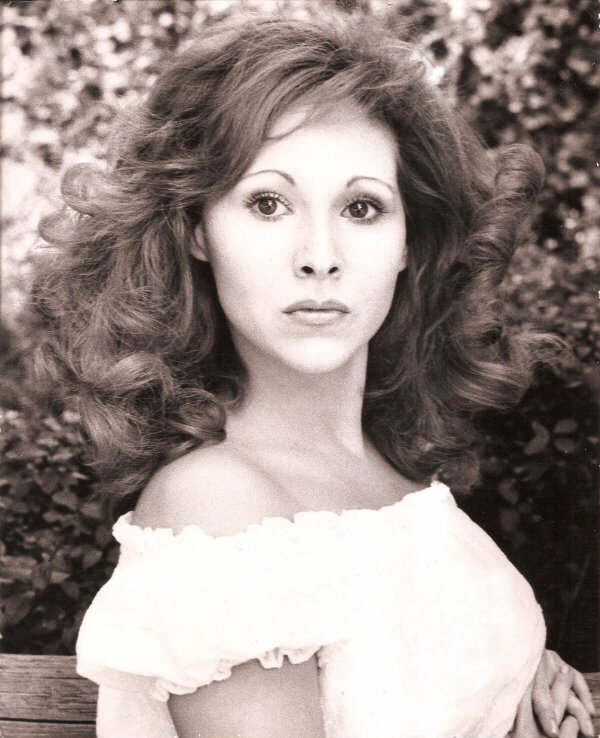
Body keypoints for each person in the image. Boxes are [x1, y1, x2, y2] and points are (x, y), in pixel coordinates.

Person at [32, 9, 595, 738]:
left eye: (362, 207)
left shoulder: (388, 467)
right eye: (268, 203)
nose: (320, 256)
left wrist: (521, 673)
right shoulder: (218, 506)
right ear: (197, 230)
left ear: (409, 241)